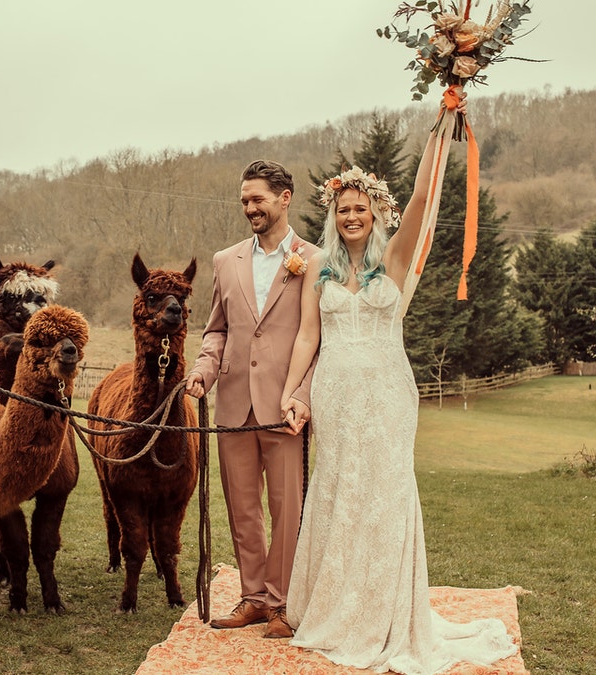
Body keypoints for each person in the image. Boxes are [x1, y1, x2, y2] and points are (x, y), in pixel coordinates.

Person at [278, 92, 519, 673]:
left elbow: (421, 199)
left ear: (376, 213)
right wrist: (294, 391)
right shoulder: (317, 267)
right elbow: (308, 337)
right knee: (339, 493)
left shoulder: (397, 261)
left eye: (361, 208)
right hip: (335, 392)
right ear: (333, 215)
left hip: (387, 393)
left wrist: (443, 124)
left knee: (384, 495)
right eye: (343, 209)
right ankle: (336, 609)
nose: (351, 217)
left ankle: (387, 615)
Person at [186, 159, 320, 640]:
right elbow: (215, 331)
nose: (250, 208)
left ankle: (283, 603)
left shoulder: (314, 259)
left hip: (286, 408)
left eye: (258, 199)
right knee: (242, 508)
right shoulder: (226, 261)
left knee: (288, 509)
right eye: (244, 200)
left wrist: (302, 395)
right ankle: (254, 599)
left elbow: (320, 339)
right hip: (233, 405)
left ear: (285, 198)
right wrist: (203, 370)